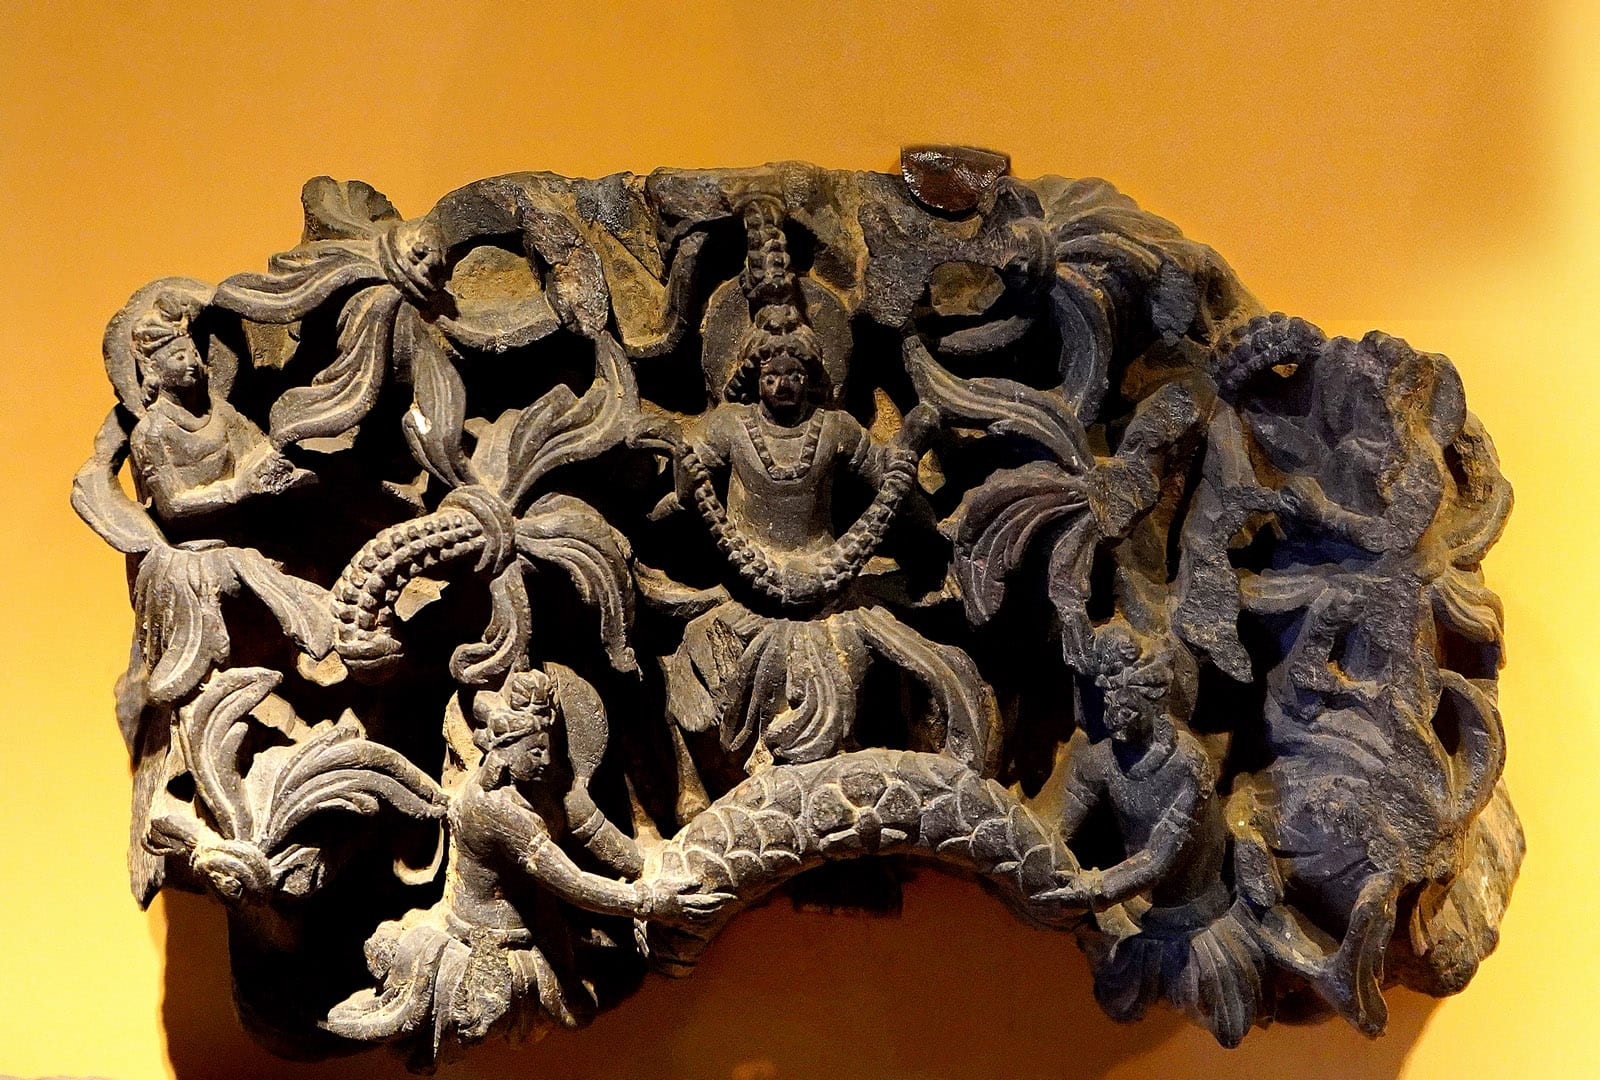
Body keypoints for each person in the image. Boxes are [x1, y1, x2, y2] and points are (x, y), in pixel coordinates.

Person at [127, 289, 310, 521]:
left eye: (194, 354)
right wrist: (235, 491)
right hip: (200, 538)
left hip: (251, 520)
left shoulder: (222, 412)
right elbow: (172, 506)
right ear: (153, 369)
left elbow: (254, 454)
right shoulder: (150, 434)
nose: (192, 363)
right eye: (179, 357)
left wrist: (273, 464)